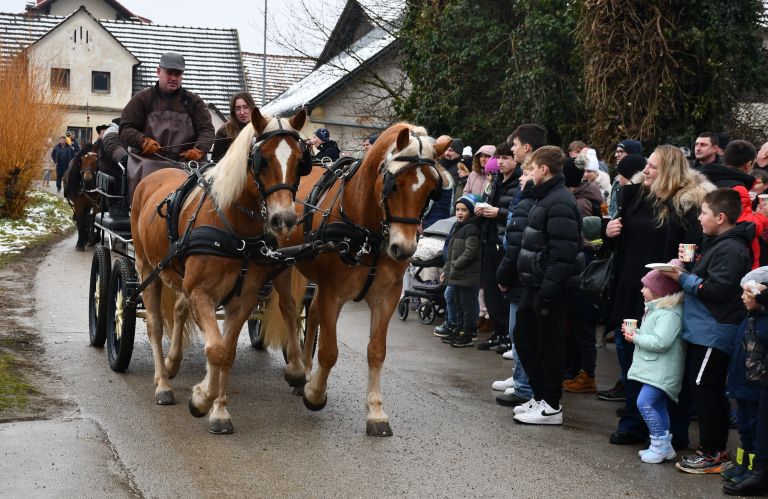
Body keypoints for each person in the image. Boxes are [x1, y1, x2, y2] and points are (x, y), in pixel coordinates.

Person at [603, 145, 713, 448]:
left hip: (667, 298)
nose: (645, 170)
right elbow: (620, 241)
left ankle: (671, 431)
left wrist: (685, 260)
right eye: (647, 165)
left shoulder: (688, 204)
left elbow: (696, 248)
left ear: (669, 170)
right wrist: (610, 232)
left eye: (652, 166)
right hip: (629, 290)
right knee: (630, 359)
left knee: (666, 366)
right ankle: (634, 423)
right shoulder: (635, 195)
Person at [661, 188, 753, 474]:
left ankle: (713, 451)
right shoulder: (718, 242)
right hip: (704, 329)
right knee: (706, 389)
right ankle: (714, 449)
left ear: (721, 217)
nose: (699, 218)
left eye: (703, 213)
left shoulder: (731, 248)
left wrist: (684, 278)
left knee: (705, 389)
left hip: (715, 329)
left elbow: (718, 289)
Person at [510, 145, 582, 425]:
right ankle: (540, 395)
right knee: (525, 337)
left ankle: (551, 404)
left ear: (544, 169)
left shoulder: (560, 201)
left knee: (548, 345)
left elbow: (563, 254)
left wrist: (549, 292)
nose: (527, 172)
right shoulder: (545, 197)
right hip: (536, 284)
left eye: (532, 167)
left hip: (549, 288)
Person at [623, 264, 685, 463]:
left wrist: (636, 339)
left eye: (646, 287)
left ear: (659, 292)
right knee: (658, 406)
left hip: (661, 370)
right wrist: (637, 334)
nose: (642, 290)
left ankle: (658, 444)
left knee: (644, 403)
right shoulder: (657, 310)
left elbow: (661, 342)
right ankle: (664, 445)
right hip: (656, 369)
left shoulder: (669, 314)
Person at [475, 138, 525, 352]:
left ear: (515, 160)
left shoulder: (520, 182)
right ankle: (497, 331)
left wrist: (498, 213)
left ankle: (506, 334)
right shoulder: (495, 180)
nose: (501, 162)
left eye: (506, 157)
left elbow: (520, 215)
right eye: (499, 158)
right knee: (490, 289)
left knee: (503, 289)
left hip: (505, 242)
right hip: (490, 238)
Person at [494, 158, 537, 407]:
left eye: (526, 173)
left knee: (519, 332)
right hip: (523, 275)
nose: (521, 177)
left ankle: (523, 386)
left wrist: (503, 274)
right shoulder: (527, 201)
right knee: (517, 332)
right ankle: (520, 379)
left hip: (521, 277)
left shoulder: (526, 203)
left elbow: (516, 243)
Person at [120, 52, 215, 162]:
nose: (173, 78)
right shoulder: (142, 98)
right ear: (158, 72)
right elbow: (125, 128)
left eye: (178, 74)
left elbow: (207, 130)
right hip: (147, 163)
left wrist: (199, 150)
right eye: (169, 73)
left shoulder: (194, 101)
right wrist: (142, 141)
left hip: (185, 166)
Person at [698, 139, 767, 267]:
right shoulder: (738, 188)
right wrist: (763, 216)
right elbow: (744, 228)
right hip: (731, 258)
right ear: (749, 164)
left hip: (709, 250)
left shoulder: (709, 179)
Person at [728, 276, 768, 496]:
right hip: (740, 383)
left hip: (754, 386)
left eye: (748, 293)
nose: (743, 298)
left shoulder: (763, 322)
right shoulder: (747, 318)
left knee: (754, 429)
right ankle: (742, 465)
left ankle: (753, 468)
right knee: (743, 429)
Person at [440, 194, 483, 347]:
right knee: (458, 304)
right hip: (456, 274)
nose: (459, 213)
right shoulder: (458, 227)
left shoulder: (472, 228)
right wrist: (447, 269)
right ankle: (459, 329)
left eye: (463, 210)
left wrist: (455, 265)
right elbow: (451, 252)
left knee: (467, 305)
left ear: (470, 211)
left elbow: (470, 251)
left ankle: (468, 333)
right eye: (457, 209)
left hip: (466, 275)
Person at [211, 92, 256, 162]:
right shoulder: (224, 132)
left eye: (246, 107)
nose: (242, 112)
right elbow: (217, 162)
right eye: (238, 109)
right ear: (233, 112)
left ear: (252, 108)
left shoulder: (260, 129)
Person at [97, 118, 129, 216]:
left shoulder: (125, 137)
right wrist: (124, 158)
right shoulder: (110, 136)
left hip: (123, 177)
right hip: (116, 184)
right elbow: (113, 146)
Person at [608, 154, 646, 218]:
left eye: (621, 174)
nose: (618, 178)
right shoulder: (628, 194)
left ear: (629, 176)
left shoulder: (637, 200)